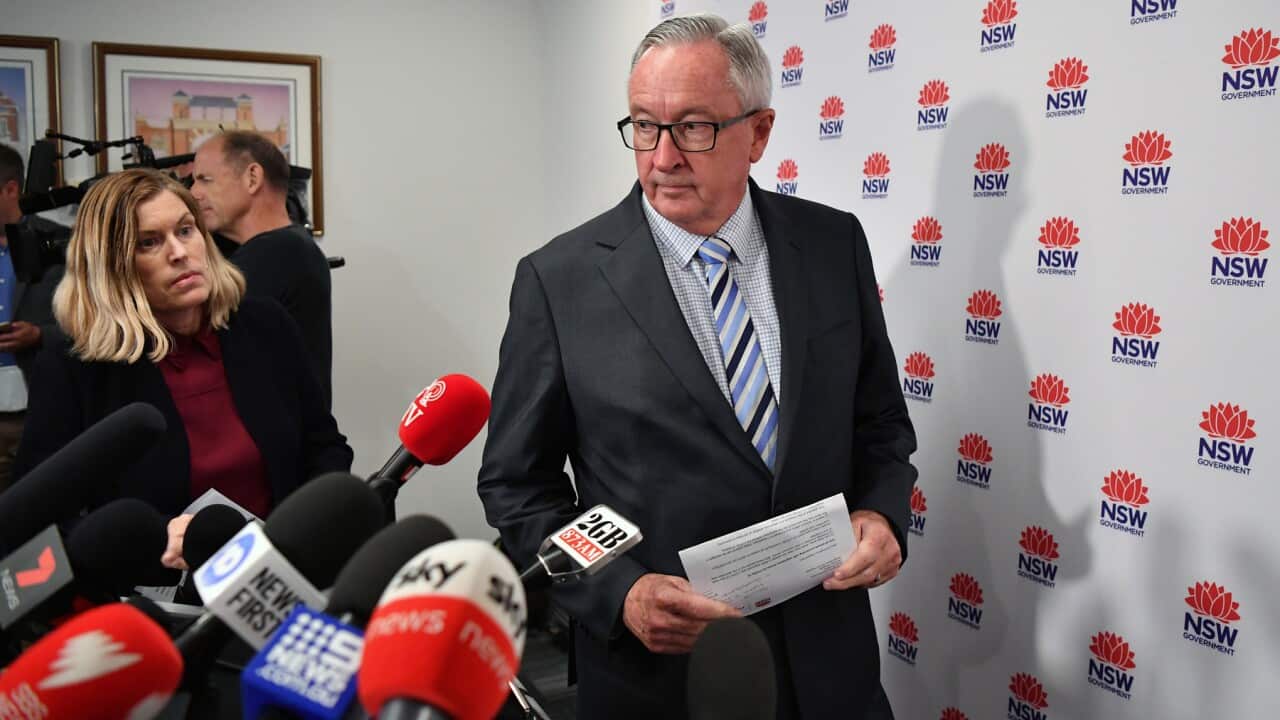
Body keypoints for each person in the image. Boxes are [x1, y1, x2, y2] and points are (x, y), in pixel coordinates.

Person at [478, 14, 917, 720]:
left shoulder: (834, 244)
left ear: (760, 133)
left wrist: (882, 514)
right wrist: (618, 592)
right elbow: (516, 489)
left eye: (693, 127)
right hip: (660, 683)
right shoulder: (559, 281)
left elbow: (881, 427)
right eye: (644, 127)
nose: (662, 156)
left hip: (831, 669)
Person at [13, 169, 352, 566]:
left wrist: (302, 530)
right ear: (112, 267)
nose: (179, 252)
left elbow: (325, 447)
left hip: (282, 567)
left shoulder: (264, 324)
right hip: (154, 589)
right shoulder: (75, 361)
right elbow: (36, 510)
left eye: (186, 230)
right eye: (149, 242)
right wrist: (153, 540)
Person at [190, 131, 334, 408]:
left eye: (205, 180)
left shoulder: (278, 253)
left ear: (252, 178)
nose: (194, 193)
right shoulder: (290, 248)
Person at [0, 143, 65, 491]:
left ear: (11, 189)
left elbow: (90, 323)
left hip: (39, 408)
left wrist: (40, 335)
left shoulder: (59, 242)